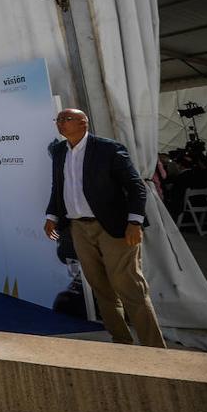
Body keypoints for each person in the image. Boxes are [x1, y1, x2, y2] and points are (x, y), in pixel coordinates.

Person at [43, 109, 166, 348]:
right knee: (100, 286)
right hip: (79, 228)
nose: (60, 124)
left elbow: (136, 187)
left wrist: (134, 222)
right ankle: (120, 340)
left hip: (114, 227)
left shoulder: (108, 148)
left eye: (66, 119)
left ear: (83, 123)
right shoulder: (59, 151)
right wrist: (51, 215)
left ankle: (155, 348)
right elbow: (58, 187)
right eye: (57, 119)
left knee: (129, 287)